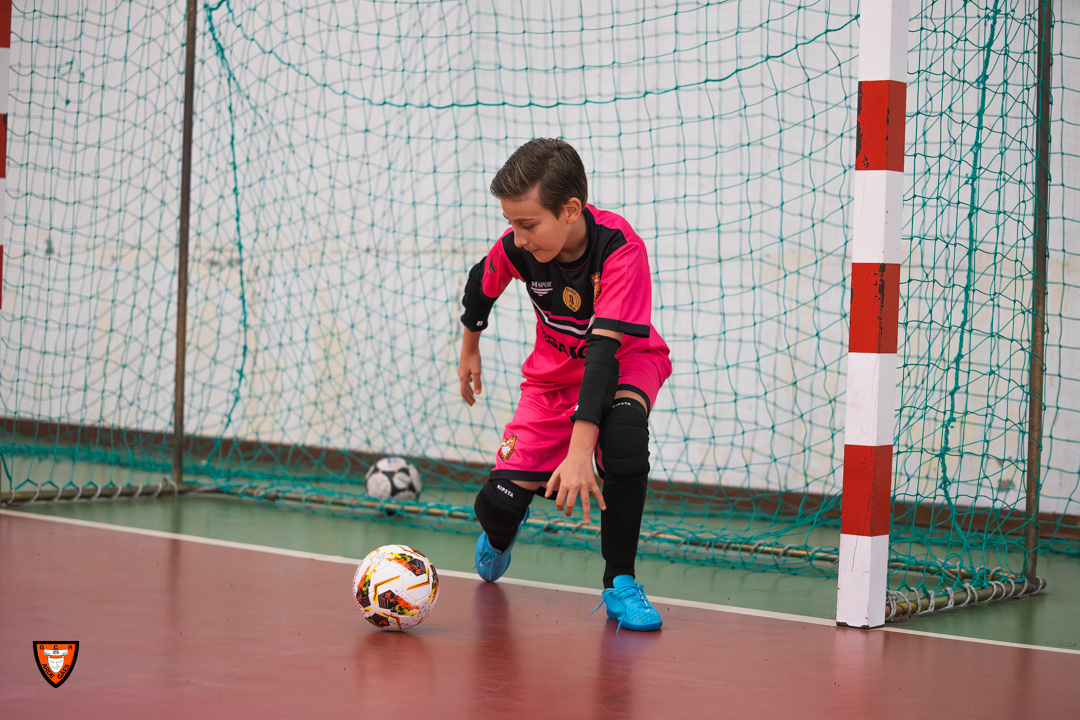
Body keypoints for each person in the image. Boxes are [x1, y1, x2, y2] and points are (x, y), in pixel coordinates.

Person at [458, 138, 672, 632]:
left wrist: (580, 453)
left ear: (571, 210)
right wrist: (470, 347)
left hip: (625, 361)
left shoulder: (620, 249)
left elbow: (603, 355)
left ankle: (620, 584)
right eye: (511, 223)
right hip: (551, 379)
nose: (518, 237)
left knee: (623, 437)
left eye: (528, 224)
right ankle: (505, 527)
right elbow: (480, 284)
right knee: (496, 505)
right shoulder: (518, 247)